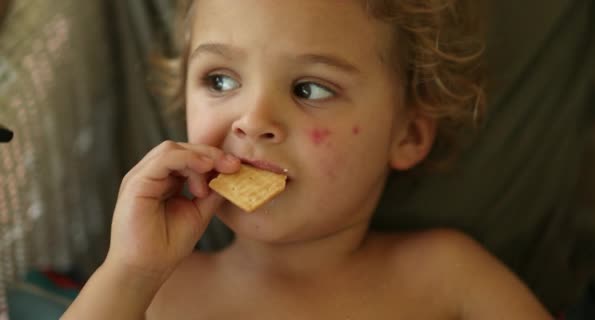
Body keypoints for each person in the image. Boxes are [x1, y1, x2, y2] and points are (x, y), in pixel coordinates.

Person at [61, 0, 552, 319]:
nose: (251, 121)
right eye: (220, 80)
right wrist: (129, 272)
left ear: (407, 136)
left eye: (309, 88)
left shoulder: (446, 276)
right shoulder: (157, 293)